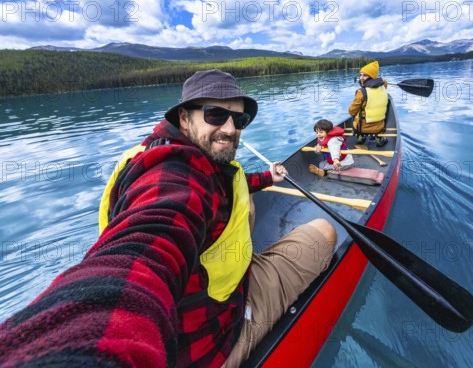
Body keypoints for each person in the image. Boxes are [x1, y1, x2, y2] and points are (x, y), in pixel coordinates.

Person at [0, 69, 337, 368]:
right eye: (216, 114)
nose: (231, 128)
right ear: (185, 118)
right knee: (325, 232)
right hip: (215, 339)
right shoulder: (175, 179)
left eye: (240, 119)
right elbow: (143, 250)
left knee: (245, 202)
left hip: (194, 304)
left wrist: (265, 178)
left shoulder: (158, 154)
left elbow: (227, 182)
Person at [348, 60, 389, 147]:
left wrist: (362, 86)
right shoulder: (383, 87)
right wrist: (378, 79)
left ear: (371, 76)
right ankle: (379, 138)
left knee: (355, 113)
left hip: (363, 128)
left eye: (365, 75)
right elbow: (384, 82)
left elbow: (351, 111)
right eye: (361, 75)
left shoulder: (361, 92)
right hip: (380, 127)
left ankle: (360, 137)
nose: (361, 78)